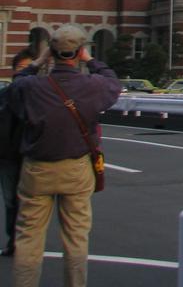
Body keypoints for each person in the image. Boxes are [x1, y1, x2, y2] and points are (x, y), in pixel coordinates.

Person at [9, 24, 121, 287]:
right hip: (76, 169)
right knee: (76, 237)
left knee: (28, 237)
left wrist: (38, 61)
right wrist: (91, 61)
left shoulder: (32, 86)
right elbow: (113, 83)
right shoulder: (92, 85)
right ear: (80, 51)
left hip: (37, 169)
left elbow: (16, 84)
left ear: (52, 52)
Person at [1, 48, 34, 257]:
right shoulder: (4, 95)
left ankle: (26, 242)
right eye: (21, 68)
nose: (24, 72)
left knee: (30, 202)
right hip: (7, 157)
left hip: (32, 156)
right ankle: (13, 241)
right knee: (11, 201)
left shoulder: (41, 97)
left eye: (29, 68)